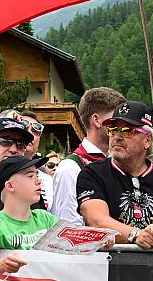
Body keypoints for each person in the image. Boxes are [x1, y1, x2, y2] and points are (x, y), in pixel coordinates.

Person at [76, 100, 153, 246]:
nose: (117, 136)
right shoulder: (92, 174)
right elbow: (96, 220)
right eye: (112, 130)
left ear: (147, 140)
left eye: (127, 131)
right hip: (112, 266)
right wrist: (136, 235)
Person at [51, 87, 125, 225]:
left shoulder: (119, 162)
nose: (120, 127)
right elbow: (68, 225)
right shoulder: (70, 168)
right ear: (97, 120)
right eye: (114, 121)